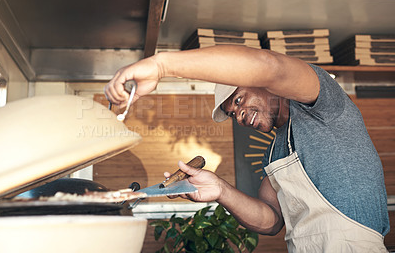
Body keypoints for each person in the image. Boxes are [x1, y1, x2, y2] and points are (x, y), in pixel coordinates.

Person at [105, 45, 389, 252]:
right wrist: (220, 190)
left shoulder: (324, 105)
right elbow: (271, 220)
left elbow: (270, 66)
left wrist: (161, 66)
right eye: (233, 113)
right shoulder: (275, 150)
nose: (239, 116)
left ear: (263, 85)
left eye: (239, 100)